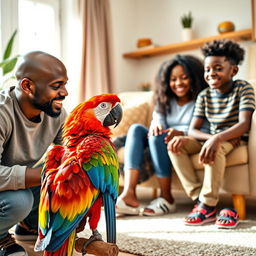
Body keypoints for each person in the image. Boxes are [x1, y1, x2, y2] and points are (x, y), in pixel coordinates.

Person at [168, 39, 255, 228]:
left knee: (216, 148)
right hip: (211, 138)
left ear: (233, 70)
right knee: (175, 145)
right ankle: (201, 201)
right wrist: (211, 138)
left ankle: (206, 205)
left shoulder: (243, 88)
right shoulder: (204, 96)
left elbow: (245, 123)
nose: (211, 73)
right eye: (207, 69)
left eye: (217, 68)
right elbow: (192, 129)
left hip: (233, 139)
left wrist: (217, 138)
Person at [116, 55, 208, 216]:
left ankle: (167, 198)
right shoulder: (165, 100)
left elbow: (204, 128)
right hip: (159, 139)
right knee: (137, 129)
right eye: (173, 79)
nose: (178, 83)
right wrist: (155, 124)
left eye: (184, 78)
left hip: (181, 139)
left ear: (194, 77)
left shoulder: (201, 100)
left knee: (158, 136)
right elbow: (157, 119)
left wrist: (181, 132)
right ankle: (129, 193)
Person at [0, 51, 68, 256]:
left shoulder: (55, 113)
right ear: (27, 86)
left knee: (69, 172)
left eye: (65, 84)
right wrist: (45, 175)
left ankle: (29, 226)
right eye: (56, 86)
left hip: (11, 184)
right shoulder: (3, 113)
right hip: (9, 192)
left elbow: (73, 153)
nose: (64, 92)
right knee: (20, 200)